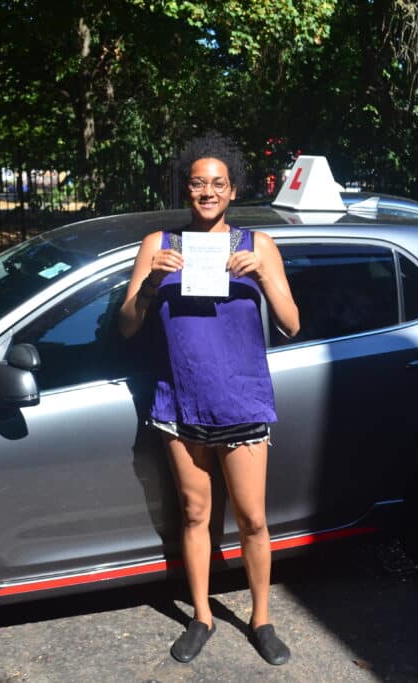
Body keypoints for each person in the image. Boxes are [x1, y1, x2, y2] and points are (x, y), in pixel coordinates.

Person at [118, 154, 300, 665]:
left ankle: (261, 619)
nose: (207, 192)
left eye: (218, 183)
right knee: (196, 515)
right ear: (186, 190)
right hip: (181, 402)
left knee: (253, 520)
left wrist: (264, 275)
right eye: (198, 183)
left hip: (241, 400)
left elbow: (292, 322)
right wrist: (153, 282)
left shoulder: (257, 244)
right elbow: (128, 324)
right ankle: (202, 615)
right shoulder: (159, 245)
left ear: (234, 191)